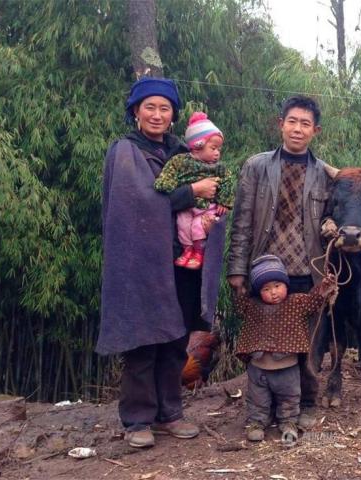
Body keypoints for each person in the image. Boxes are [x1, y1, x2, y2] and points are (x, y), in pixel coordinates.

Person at [96, 77, 222, 449]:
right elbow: (137, 204)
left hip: (182, 263)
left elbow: (213, 189)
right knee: (143, 340)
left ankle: (170, 413)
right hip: (141, 263)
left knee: (175, 339)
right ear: (135, 112)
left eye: (164, 108)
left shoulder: (183, 151)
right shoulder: (125, 152)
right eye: (149, 107)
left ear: (173, 115)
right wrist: (192, 192)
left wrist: (211, 210)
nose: (156, 114)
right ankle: (138, 419)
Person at [227, 95, 332, 429]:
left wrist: (332, 227)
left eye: (305, 124)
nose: (298, 129)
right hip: (265, 272)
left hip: (307, 271)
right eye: (292, 121)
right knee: (264, 341)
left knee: (309, 343)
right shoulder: (256, 167)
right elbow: (242, 221)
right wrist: (237, 269)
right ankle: (266, 407)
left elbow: (332, 220)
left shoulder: (325, 173)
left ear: (315, 130)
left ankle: (306, 402)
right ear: (281, 124)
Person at [234, 255, 337, 442]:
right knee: (257, 399)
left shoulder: (297, 302)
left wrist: (324, 287)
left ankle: (289, 422)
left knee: (290, 397)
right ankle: (257, 423)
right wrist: (239, 286)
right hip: (258, 369)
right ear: (258, 292)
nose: (273, 292)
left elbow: (314, 301)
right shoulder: (252, 306)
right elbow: (239, 303)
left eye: (277, 285)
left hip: (287, 368)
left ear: (286, 284)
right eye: (266, 289)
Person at [155, 112, 236, 269]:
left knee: (198, 227)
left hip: (206, 207)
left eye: (219, 149)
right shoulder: (180, 161)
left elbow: (227, 180)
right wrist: (164, 184)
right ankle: (187, 250)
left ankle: (199, 252)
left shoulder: (218, 167)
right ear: (197, 146)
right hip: (186, 206)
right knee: (183, 225)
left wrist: (224, 201)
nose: (217, 153)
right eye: (213, 148)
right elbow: (169, 173)